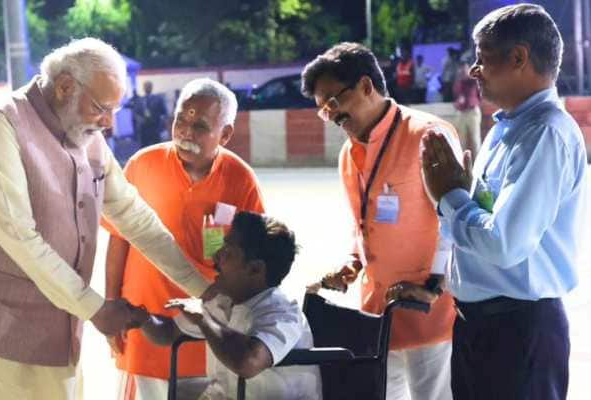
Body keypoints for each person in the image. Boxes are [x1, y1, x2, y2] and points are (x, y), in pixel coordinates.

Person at [0, 38, 212, 400]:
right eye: (101, 108)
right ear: (64, 87)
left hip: (55, 332)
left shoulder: (86, 133)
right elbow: (17, 236)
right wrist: (94, 308)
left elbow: (132, 216)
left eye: (114, 110)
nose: (108, 123)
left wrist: (204, 290)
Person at [421, 4, 587, 400]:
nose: (474, 70)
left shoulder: (545, 134)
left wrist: (450, 195)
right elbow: (482, 224)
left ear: (518, 57)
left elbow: (504, 243)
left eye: (482, 58)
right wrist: (454, 198)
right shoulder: (506, 129)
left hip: (519, 331)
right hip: (481, 326)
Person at [301, 42, 459, 400]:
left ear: (366, 86)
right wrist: (352, 264)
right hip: (377, 316)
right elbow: (363, 225)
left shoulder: (428, 136)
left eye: (333, 102)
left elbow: (455, 223)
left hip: (430, 314)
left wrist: (434, 286)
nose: (332, 116)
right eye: (324, 111)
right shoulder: (348, 154)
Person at [103, 78, 265, 399]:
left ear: (226, 134)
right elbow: (118, 239)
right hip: (141, 326)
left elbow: (256, 262)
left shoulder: (240, 179)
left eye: (201, 126)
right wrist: (111, 306)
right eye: (181, 119)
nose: (186, 132)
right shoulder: (142, 165)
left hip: (207, 336)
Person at [138, 211, 322, 400]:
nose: (216, 257)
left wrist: (203, 319)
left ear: (255, 269)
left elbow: (248, 362)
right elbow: (167, 333)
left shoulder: (282, 314)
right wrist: (139, 317)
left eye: (228, 252)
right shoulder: (223, 300)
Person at [451, 57, 482, 157]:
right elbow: (456, 96)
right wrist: (457, 104)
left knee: (475, 140)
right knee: (461, 141)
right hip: (461, 112)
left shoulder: (473, 80)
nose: (463, 70)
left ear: (468, 69)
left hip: (473, 111)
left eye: (465, 68)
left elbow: (479, 94)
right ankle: (463, 165)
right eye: (461, 68)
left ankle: (479, 166)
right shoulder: (457, 83)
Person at [134, 80, 168, 148]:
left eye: (149, 86)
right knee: (144, 149)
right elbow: (136, 113)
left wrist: (162, 124)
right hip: (144, 129)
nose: (147, 88)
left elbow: (164, 113)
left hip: (155, 128)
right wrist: (140, 120)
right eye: (146, 86)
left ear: (151, 88)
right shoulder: (140, 100)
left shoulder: (158, 99)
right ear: (143, 88)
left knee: (157, 148)